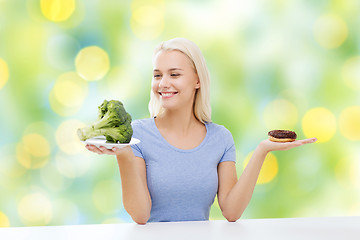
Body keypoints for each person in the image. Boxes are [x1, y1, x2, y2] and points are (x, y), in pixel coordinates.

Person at [85, 38, 317, 224]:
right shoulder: (137, 134)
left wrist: (262, 151)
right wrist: (124, 154)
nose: (163, 83)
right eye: (157, 75)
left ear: (197, 80)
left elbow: (232, 211)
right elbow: (140, 216)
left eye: (174, 74)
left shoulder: (220, 138)